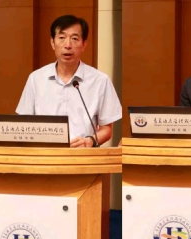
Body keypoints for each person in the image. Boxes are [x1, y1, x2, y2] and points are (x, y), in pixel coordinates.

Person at [16, 15, 122, 148]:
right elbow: (23, 123)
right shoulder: (36, 79)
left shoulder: (100, 81)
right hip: (44, 155)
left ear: (84, 44)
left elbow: (107, 129)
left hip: (83, 156)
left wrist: (90, 141)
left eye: (74, 38)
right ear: (52, 43)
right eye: (62, 37)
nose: (67, 45)